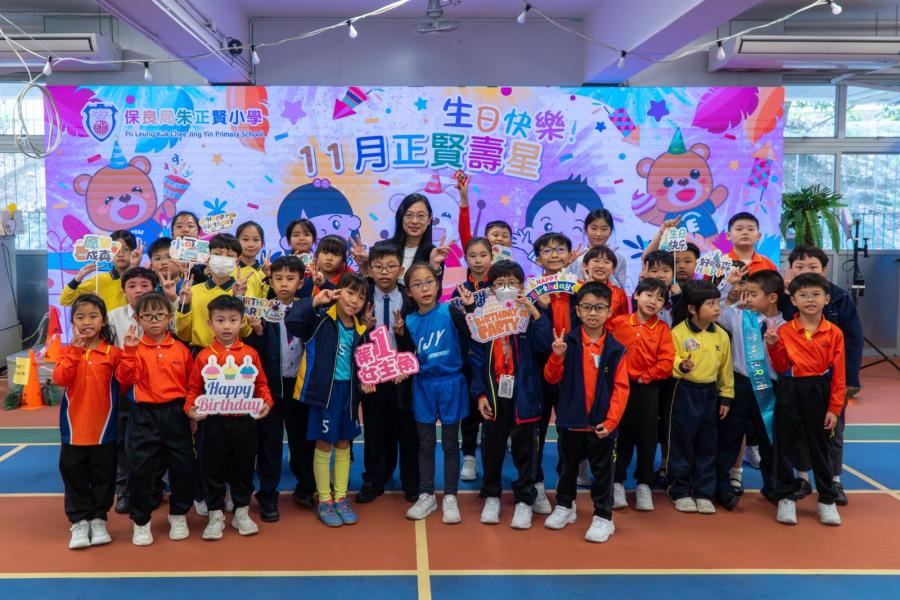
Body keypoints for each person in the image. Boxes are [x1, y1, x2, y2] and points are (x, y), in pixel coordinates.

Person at [542, 282, 630, 543]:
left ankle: (604, 516)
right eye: (587, 307)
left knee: (602, 472)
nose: (593, 313)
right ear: (578, 311)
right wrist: (556, 356)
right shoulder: (566, 343)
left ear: (609, 312)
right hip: (570, 421)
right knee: (566, 467)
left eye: (599, 308)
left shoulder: (616, 349)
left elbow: (621, 389)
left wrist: (611, 422)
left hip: (601, 425)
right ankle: (565, 506)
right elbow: (551, 377)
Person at [469, 260, 550, 529]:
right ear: (491, 288)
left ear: (521, 286)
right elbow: (476, 359)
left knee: (526, 449)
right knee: (492, 448)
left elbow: (544, 347)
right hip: (494, 394)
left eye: (512, 283)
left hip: (525, 394)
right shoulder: (484, 317)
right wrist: (480, 394)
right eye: (500, 283)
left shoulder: (530, 315)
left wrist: (535, 313)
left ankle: (525, 499)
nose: (506, 288)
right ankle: (492, 495)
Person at [285, 272, 369, 527]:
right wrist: (314, 301)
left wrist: (367, 380)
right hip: (324, 396)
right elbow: (292, 322)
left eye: (361, 297)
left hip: (349, 395)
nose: (354, 301)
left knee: (344, 444)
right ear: (338, 292)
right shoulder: (319, 319)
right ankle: (324, 499)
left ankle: (341, 497)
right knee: (323, 445)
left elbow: (364, 364)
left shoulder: (361, 329)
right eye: (350, 293)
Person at [185, 295, 273, 540]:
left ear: (242, 322)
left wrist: (267, 402)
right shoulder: (203, 356)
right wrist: (190, 408)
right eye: (220, 320)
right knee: (211, 467)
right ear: (210, 323)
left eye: (233, 320)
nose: (226, 326)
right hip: (212, 422)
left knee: (243, 466)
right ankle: (215, 514)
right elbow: (193, 389)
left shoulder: (250, 354)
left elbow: (261, 384)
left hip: (244, 421)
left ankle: (241, 511)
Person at [782, 245, 863, 506]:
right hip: (796, 383)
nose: (806, 271)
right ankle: (802, 478)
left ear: (825, 270)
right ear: (790, 270)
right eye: (799, 267)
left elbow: (853, 341)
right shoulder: (786, 298)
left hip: (831, 382)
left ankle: (834, 480)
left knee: (832, 431)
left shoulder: (838, 298)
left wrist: (849, 380)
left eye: (813, 267)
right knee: (800, 432)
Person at [115, 292, 196, 545]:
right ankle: (141, 521)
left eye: (159, 315)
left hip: (176, 414)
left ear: (169, 317)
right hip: (144, 416)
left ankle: (179, 515)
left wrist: (191, 412)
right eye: (147, 316)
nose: (154, 321)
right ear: (138, 319)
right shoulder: (133, 348)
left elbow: (192, 385)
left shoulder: (181, 349)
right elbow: (124, 381)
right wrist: (129, 352)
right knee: (140, 470)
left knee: (183, 467)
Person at [765, 273, 845, 527]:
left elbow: (839, 375)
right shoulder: (785, 330)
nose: (810, 300)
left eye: (815, 295)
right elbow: (780, 367)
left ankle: (827, 500)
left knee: (820, 447)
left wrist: (834, 408)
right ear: (793, 300)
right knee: (784, 445)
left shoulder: (834, 333)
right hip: (790, 389)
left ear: (826, 299)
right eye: (803, 295)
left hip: (820, 391)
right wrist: (773, 346)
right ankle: (786, 497)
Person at [398, 263, 473, 524]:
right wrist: (400, 337)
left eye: (429, 281)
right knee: (426, 443)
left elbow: (471, 335)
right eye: (417, 284)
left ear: (438, 284)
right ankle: (427, 494)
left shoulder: (450, 311)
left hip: (452, 383)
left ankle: (450, 496)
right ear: (409, 292)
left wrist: (470, 310)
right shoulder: (408, 321)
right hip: (424, 385)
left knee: (451, 443)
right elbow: (408, 357)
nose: (425, 288)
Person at [245, 255, 317, 519]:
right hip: (271, 389)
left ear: (301, 283)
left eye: (290, 278)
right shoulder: (262, 311)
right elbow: (254, 354)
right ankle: (267, 495)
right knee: (269, 443)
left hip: (300, 388)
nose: (284, 284)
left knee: (303, 441)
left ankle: (306, 487)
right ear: (270, 282)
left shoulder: (309, 308)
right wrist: (258, 333)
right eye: (278, 278)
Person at [52, 294, 122, 550]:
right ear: (73, 323)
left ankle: (99, 519)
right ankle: (80, 521)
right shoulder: (67, 351)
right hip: (73, 431)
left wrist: (131, 352)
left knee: (104, 477)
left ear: (104, 321)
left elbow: (126, 381)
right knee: (74, 476)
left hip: (105, 431)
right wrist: (75, 351)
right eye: (80, 317)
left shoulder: (113, 354)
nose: (87, 321)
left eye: (93, 316)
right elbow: (60, 378)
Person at [715, 268, 785, 511]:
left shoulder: (786, 326)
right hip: (739, 384)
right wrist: (728, 286)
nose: (747, 298)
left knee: (769, 439)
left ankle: (773, 486)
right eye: (746, 293)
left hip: (769, 387)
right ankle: (721, 487)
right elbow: (716, 311)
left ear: (772, 297)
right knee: (729, 437)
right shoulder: (738, 316)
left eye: (753, 294)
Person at [356, 242, 420, 504]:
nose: (384, 272)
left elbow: (418, 341)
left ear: (401, 270)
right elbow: (350, 337)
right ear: (370, 270)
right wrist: (364, 328)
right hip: (373, 374)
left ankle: (411, 482)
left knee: (407, 431)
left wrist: (402, 334)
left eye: (391, 266)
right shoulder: (360, 297)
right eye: (379, 267)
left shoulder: (411, 299)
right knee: (374, 430)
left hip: (402, 375)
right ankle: (374, 479)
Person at [606, 278, 674, 511]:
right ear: (636, 295)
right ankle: (617, 482)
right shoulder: (618, 323)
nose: (653, 301)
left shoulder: (662, 329)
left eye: (660, 298)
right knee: (620, 437)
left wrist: (647, 376)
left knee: (647, 438)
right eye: (648, 295)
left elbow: (666, 362)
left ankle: (644, 484)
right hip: (619, 389)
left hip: (647, 391)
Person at [668, 280, 734, 514]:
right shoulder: (678, 332)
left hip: (710, 394)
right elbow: (671, 360)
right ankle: (680, 491)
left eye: (718, 303)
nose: (717, 308)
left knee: (707, 444)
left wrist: (725, 397)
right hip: (684, 391)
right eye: (710, 304)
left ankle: (704, 492)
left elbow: (726, 369)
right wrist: (682, 365)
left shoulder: (722, 335)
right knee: (682, 443)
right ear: (692, 309)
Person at [106, 266, 160, 514]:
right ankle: (124, 489)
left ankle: (154, 487)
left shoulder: (164, 314)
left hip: (155, 389)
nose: (138, 290)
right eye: (132, 286)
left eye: (144, 285)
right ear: (123, 290)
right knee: (122, 441)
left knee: (154, 441)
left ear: (154, 288)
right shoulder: (113, 317)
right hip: (124, 387)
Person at [532, 232, 579, 508]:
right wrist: (542, 308)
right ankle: (536, 484)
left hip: (571, 370)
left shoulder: (579, 289)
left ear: (570, 256)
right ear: (538, 259)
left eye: (560, 249)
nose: (554, 255)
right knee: (536, 429)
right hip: (539, 368)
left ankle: (565, 487)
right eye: (547, 251)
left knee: (568, 431)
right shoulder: (531, 290)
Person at [454, 237, 494, 483]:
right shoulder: (460, 290)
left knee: (494, 411)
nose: (478, 261)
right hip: (469, 359)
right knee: (469, 412)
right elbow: (458, 325)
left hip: (496, 360)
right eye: (472, 256)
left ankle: (491, 458)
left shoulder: (499, 286)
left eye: (483, 255)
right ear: (466, 259)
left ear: (491, 257)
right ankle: (469, 456)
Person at [175, 233, 254, 350]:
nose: (223, 259)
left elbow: (245, 332)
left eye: (229, 256)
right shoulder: (193, 291)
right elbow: (183, 334)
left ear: (237, 261)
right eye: (217, 254)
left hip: (232, 354)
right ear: (208, 257)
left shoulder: (245, 291)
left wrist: (239, 298)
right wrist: (184, 305)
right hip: (200, 354)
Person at [60, 230, 142, 312]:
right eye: (115, 249)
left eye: (126, 249)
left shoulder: (143, 279)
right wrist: (78, 277)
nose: (120, 254)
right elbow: (65, 300)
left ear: (133, 251)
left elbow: (142, 304)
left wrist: (134, 268)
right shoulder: (99, 280)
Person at [387, 193, 452, 281]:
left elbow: (436, 289)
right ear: (401, 217)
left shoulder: (434, 254)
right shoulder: (383, 249)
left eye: (421, 215)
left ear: (429, 219)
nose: (414, 221)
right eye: (409, 215)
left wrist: (434, 267)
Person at [567, 209, 627, 286]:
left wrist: (607, 269)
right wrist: (566, 265)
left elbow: (621, 289)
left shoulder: (619, 259)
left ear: (611, 231)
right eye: (594, 228)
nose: (598, 233)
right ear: (586, 229)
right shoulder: (576, 257)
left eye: (604, 229)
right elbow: (564, 286)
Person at [582, 245, 629, 320]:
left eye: (606, 262)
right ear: (585, 265)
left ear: (613, 269)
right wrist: (585, 289)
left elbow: (623, 321)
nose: (601, 266)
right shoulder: (576, 288)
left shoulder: (619, 294)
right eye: (596, 261)